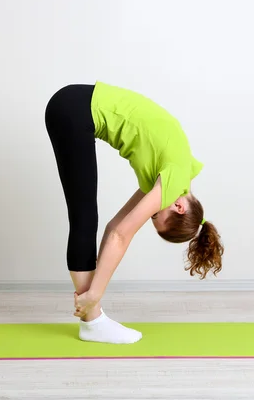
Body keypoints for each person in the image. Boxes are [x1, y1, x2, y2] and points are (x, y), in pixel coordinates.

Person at [45, 82, 224, 344]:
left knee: (87, 220)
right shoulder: (173, 178)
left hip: (72, 104)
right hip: (74, 110)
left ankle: (93, 320)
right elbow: (121, 234)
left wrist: (96, 290)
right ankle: (93, 322)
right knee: (84, 220)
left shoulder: (174, 175)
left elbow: (113, 228)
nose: (150, 214)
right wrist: (95, 293)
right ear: (178, 206)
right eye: (155, 216)